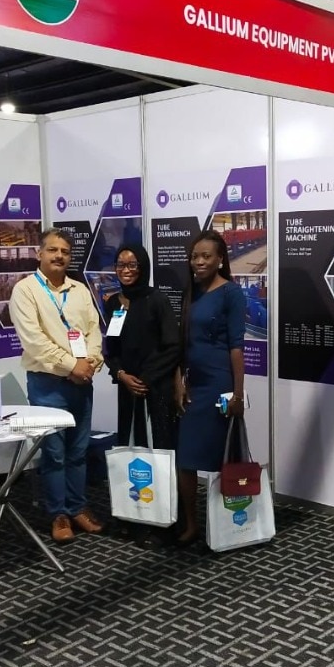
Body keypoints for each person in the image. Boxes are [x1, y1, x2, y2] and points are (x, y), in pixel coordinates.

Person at [9, 228, 104, 543]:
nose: (59, 256)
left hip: (81, 382)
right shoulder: (25, 290)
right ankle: (58, 513)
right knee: (54, 453)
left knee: (78, 450)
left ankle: (77, 507)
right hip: (47, 384)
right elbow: (34, 341)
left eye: (65, 251)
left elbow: (93, 330)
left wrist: (90, 363)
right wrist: (71, 365)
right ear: (39, 253)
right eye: (52, 250)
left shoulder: (80, 290)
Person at [174, 230, 246, 546]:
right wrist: (179, 382)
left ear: (220, 259)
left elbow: (236, 347)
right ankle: (192, 525)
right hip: (194, 386)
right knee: (185, 460)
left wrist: (238, 395)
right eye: (195, 256)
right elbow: (182, 343)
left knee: (223, 460)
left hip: (220, 386)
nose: (199, 261)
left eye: (206, 256)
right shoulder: (190, 293)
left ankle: (227, 526)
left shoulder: (231, 293)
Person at [103, 243, 179, 448]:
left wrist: (145, 379)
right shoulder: (113, 303)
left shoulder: (158, 300)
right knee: (130, 446)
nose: (126, 270)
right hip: (127, 387)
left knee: (159, 446)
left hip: (155, 387)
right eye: (120, 265)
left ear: (143, 266)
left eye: (132, 264)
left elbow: (172, 346)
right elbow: (110, 347)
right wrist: (120, 374)